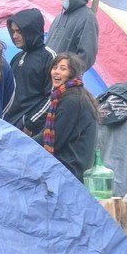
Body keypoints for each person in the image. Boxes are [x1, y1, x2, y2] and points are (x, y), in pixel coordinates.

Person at [32, 53, 99, 181]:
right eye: (55, 67)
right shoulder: (67, 95)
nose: (56, 72)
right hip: (71, 167)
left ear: (72, 73)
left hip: (70, 171)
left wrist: (21, 143)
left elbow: (55, 139)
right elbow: (48, 133)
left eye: (63, 69)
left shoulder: (72, 101)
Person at [2, 9, 54, 132]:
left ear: (31, 31)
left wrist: (30, 123)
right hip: (6, 124)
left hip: (28, 130)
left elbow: (53, 96)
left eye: (19, 31)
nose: (14, 36)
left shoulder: (49, 58)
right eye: (13, 31)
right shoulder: (17, 57)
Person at [51, 0, 100, 70]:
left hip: (66, 81)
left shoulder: (87, 18)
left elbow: (86, 56)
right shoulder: (59, 17)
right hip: (49, 78)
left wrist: (67, 73)